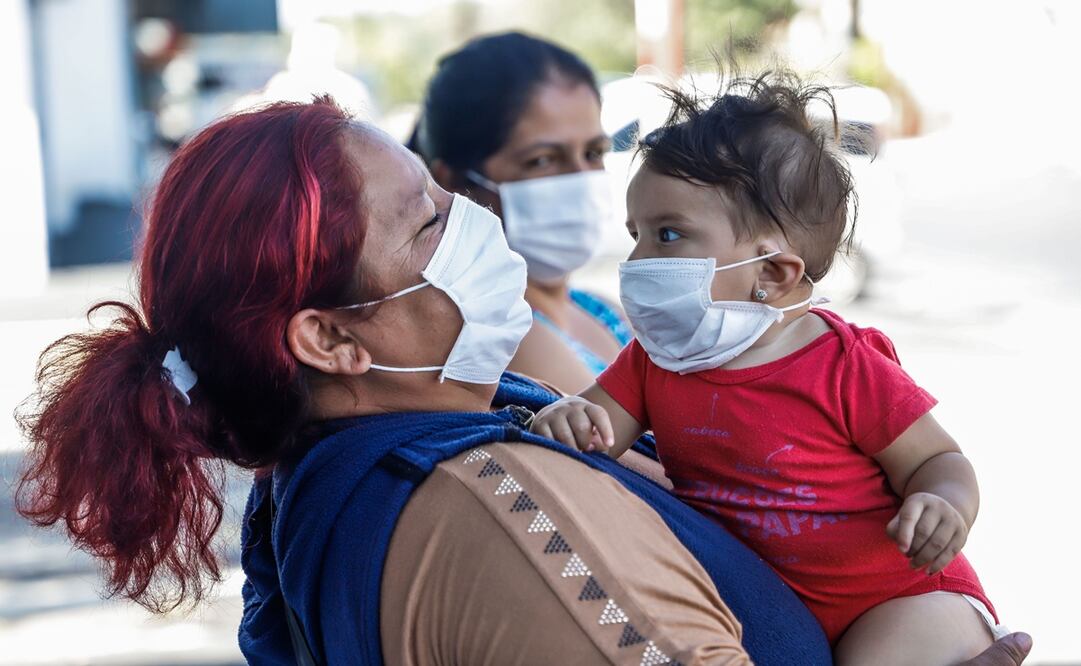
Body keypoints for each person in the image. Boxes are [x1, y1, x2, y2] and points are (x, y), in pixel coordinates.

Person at [13, 97, 1029, 666]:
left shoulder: (371, 465)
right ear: (330, 339)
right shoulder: (494, 510)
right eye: (425, 221)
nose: (474, 224)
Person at [530, 72, 1013, 665]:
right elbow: (593, 431)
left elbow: (939, 459)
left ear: (774, 273)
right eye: (637, 235)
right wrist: (568, 417)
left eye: (668, 234)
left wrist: (944, 503)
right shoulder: (657, 359)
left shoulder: (844, 365)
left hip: (898, 597)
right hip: (768, 601)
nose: (637, 260)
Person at [409, 32, 631, 393]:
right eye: (542, 160)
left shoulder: (598, 309)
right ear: (456, 184)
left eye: (593, 153)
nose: (581, 181)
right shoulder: (499, 335)